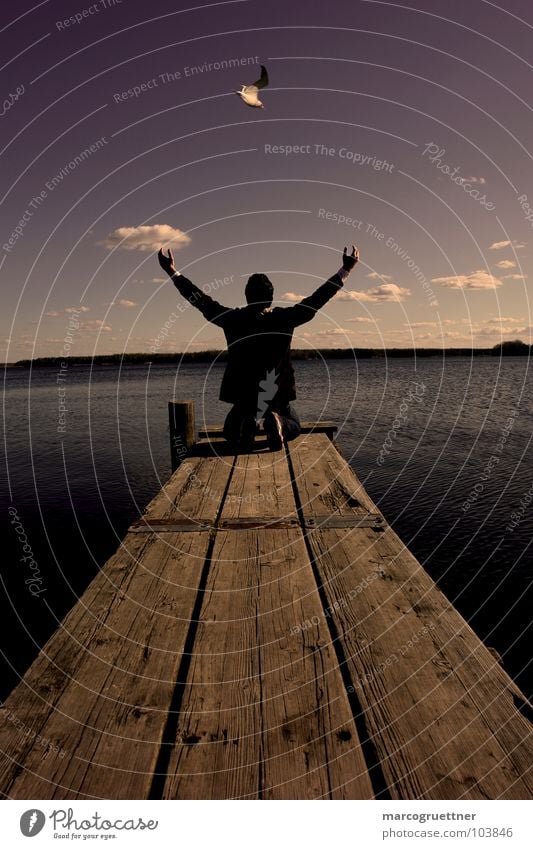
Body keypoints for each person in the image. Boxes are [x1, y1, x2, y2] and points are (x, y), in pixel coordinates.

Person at [157, 245, 360, 451]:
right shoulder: (285, 317)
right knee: (294, 425)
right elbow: (317, 299)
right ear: (271, 296)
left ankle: (249, 424)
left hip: (245, 398)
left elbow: (200, 300)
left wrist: (172, 271)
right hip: (277, 396)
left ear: (247, 296)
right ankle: (279, 422)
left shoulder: (232, 319)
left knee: (230, 431)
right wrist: (346, 270)